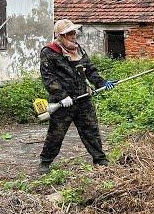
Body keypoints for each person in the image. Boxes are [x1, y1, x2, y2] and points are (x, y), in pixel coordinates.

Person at [38, 19, 117, 174]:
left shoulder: (78, 49)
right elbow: (48, 78)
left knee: (91, 129)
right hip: (63, 102)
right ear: (60, 36)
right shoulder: (49, 52)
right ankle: (45, 162)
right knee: (56, 133)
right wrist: (61, 95)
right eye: (69, 33)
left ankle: (100, 159)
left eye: (74, 32)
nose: (74, 36)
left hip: (83, 98)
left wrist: (102, 82)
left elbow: (90, 70)